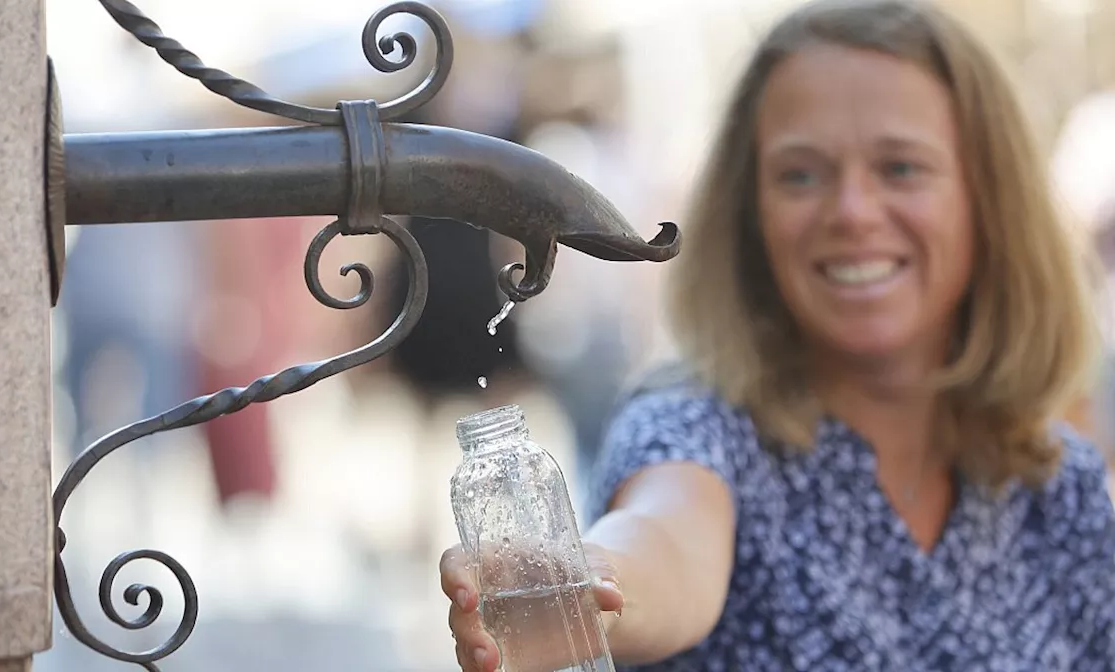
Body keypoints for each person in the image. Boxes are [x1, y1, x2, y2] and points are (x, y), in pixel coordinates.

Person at [438, 1, 1115, 669]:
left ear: (989, 199)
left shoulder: (1057, 481)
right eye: (801, 174)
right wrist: (584, 586)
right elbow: (665, 546)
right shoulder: (700, 432)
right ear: (751, 215)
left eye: (901, 167)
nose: (851, 210)